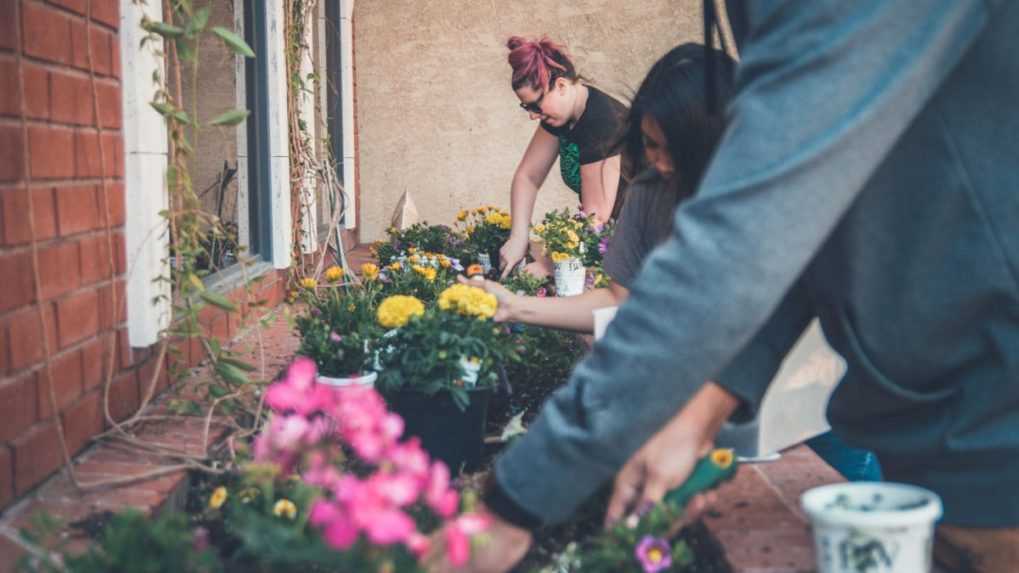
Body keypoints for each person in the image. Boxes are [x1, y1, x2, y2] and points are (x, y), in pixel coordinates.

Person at [434, 1, 1019, 572]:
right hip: (933, 429)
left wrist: (519, 498)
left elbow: (749, 235)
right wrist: (701, 412)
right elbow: (797, 238)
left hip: (989, 431)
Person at [499, 36, 629, 279]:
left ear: (560, 86)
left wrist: (549, 266)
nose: (533, 116)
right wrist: (518, 237)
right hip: (614, 241)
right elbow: (528, 176)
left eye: (536, 106)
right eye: (526, 108)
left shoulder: (600, 123)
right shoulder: (561, 117)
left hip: (650, 240)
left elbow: (595, 218)